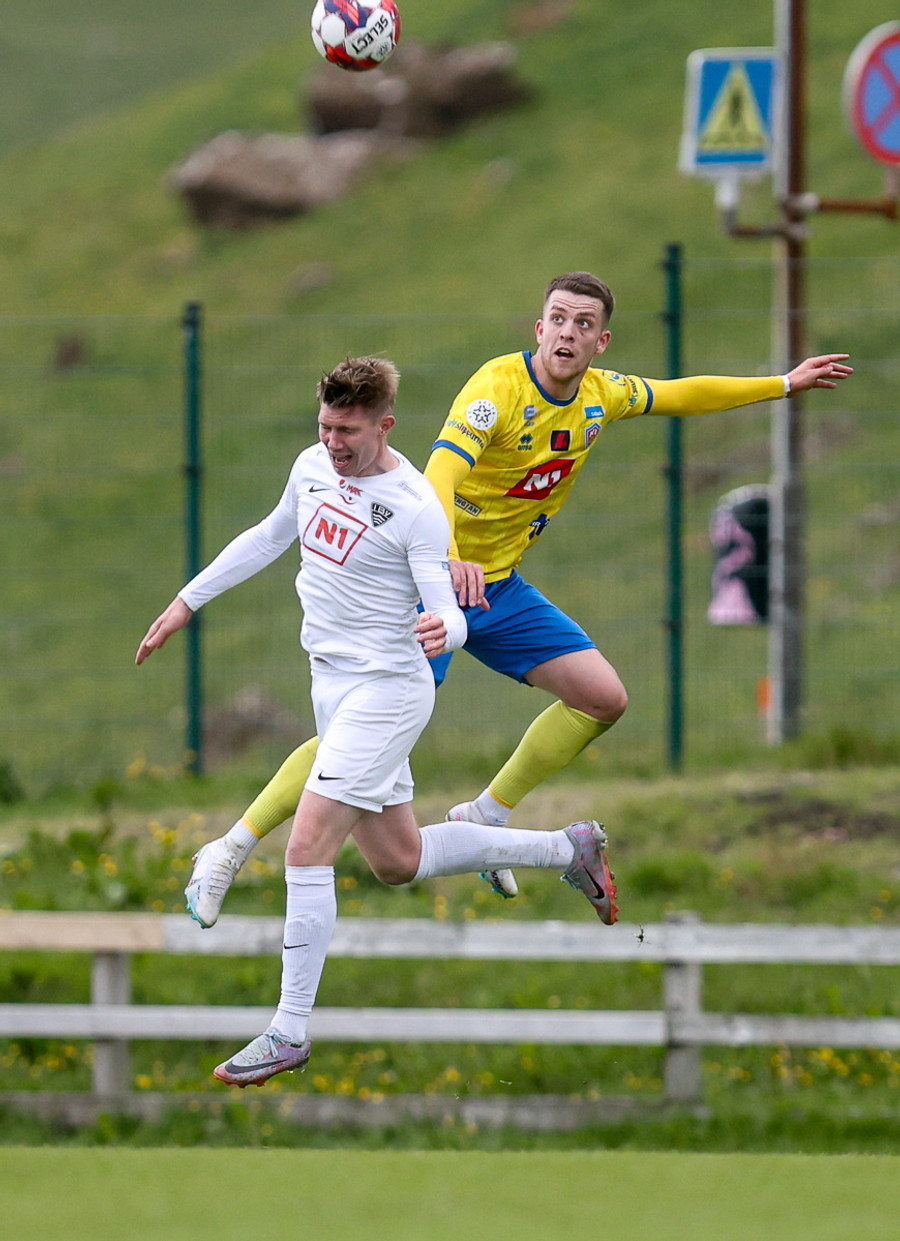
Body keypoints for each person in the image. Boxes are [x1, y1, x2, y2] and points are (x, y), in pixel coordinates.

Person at [179, 272, 853, 922]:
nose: (567, 332)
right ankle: (231, 847)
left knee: (604, 698)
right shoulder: (496, 389)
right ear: (538, 328)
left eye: (583, 324)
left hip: (497, 587)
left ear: (600, 342)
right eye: (557, 319)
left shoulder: (602, 396)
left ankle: (488, 812)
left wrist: (783, 384)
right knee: (346, 742)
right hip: (429, 593)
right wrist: (448, 558)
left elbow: (683, 394)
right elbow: (439, 476)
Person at [136, 355, 618, 1086]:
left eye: (349, 432)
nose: (334, 443)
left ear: (385, 425)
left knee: (308, 847)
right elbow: (267, 536)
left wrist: (447, 630)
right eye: (326, 427)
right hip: (332, 686)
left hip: (388, 692)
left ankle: (287, 1030)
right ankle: (566, 848)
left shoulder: (417, 504)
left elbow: (451, 609)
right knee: (399, 860)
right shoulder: (310, 468)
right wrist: (185, 602)